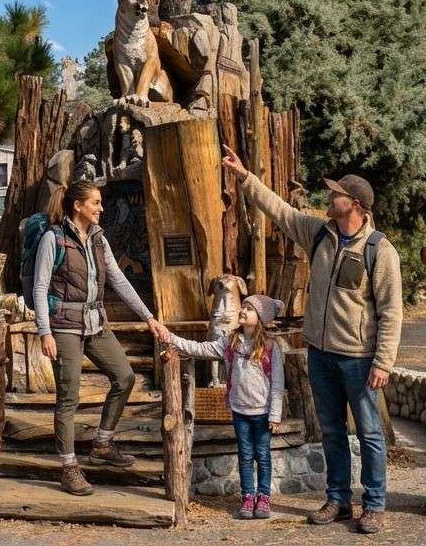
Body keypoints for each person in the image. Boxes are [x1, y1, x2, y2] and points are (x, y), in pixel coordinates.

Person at [220, 145, 403, 535]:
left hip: (359, 359)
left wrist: (384, 361)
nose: (329, 197)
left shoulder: (380, 251)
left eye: (336, 194)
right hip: (320, 354)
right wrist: (244, 177)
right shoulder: (319, 233)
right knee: (331, 431)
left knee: (369, 433)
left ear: (355, 205)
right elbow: (280, 210)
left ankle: (374, 505)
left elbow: (391, 311)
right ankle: (338, 499)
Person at [33, 179, 170, 495]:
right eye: (95, 203)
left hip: (96, 323)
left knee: (125, 377)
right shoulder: (53, 239)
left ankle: (103, 444)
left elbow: (119, 281)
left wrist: (149, 317)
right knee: (69, 397)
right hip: (64, 326)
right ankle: (69, 467)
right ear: (78, 206)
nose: (101, 208)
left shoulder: (98, 239)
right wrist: (45, 332)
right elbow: (40, 288)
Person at [157, 295, 285, 519]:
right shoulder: (230, 342)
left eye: (249, 308)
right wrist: (173, 339)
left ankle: (263, 497)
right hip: (240, 411)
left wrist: (275, 415)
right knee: (245, 455)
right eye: (243, 306)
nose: (243, 310)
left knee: (263, 455)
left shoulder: (271, 347)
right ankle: (248, 497)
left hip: (263, 413)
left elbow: (277, 384)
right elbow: (201, 348)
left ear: (261, 318)